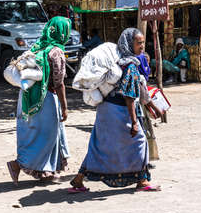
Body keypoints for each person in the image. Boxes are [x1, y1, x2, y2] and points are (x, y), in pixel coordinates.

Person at [69, 28, 164, 193]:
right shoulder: (129, 65)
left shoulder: (122, 61)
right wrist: (134, 122)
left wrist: (151, 106)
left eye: (142, 42)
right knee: (140, 142)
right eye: (138, 43)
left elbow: (139, 89)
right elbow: (129, 96)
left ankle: (78, 179)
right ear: (129, 43)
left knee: (99, 144)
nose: (142, 46)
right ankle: (142, 180)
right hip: (120, 111)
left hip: (105, 110)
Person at [7, 16, 71, 184]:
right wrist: (64, 107)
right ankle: (18, 165)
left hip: (28, 97)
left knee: (34, 133)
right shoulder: (56, 51)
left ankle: (47, 171)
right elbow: (59, 83)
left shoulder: (38, 46)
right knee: (46, 137)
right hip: (46, 99)